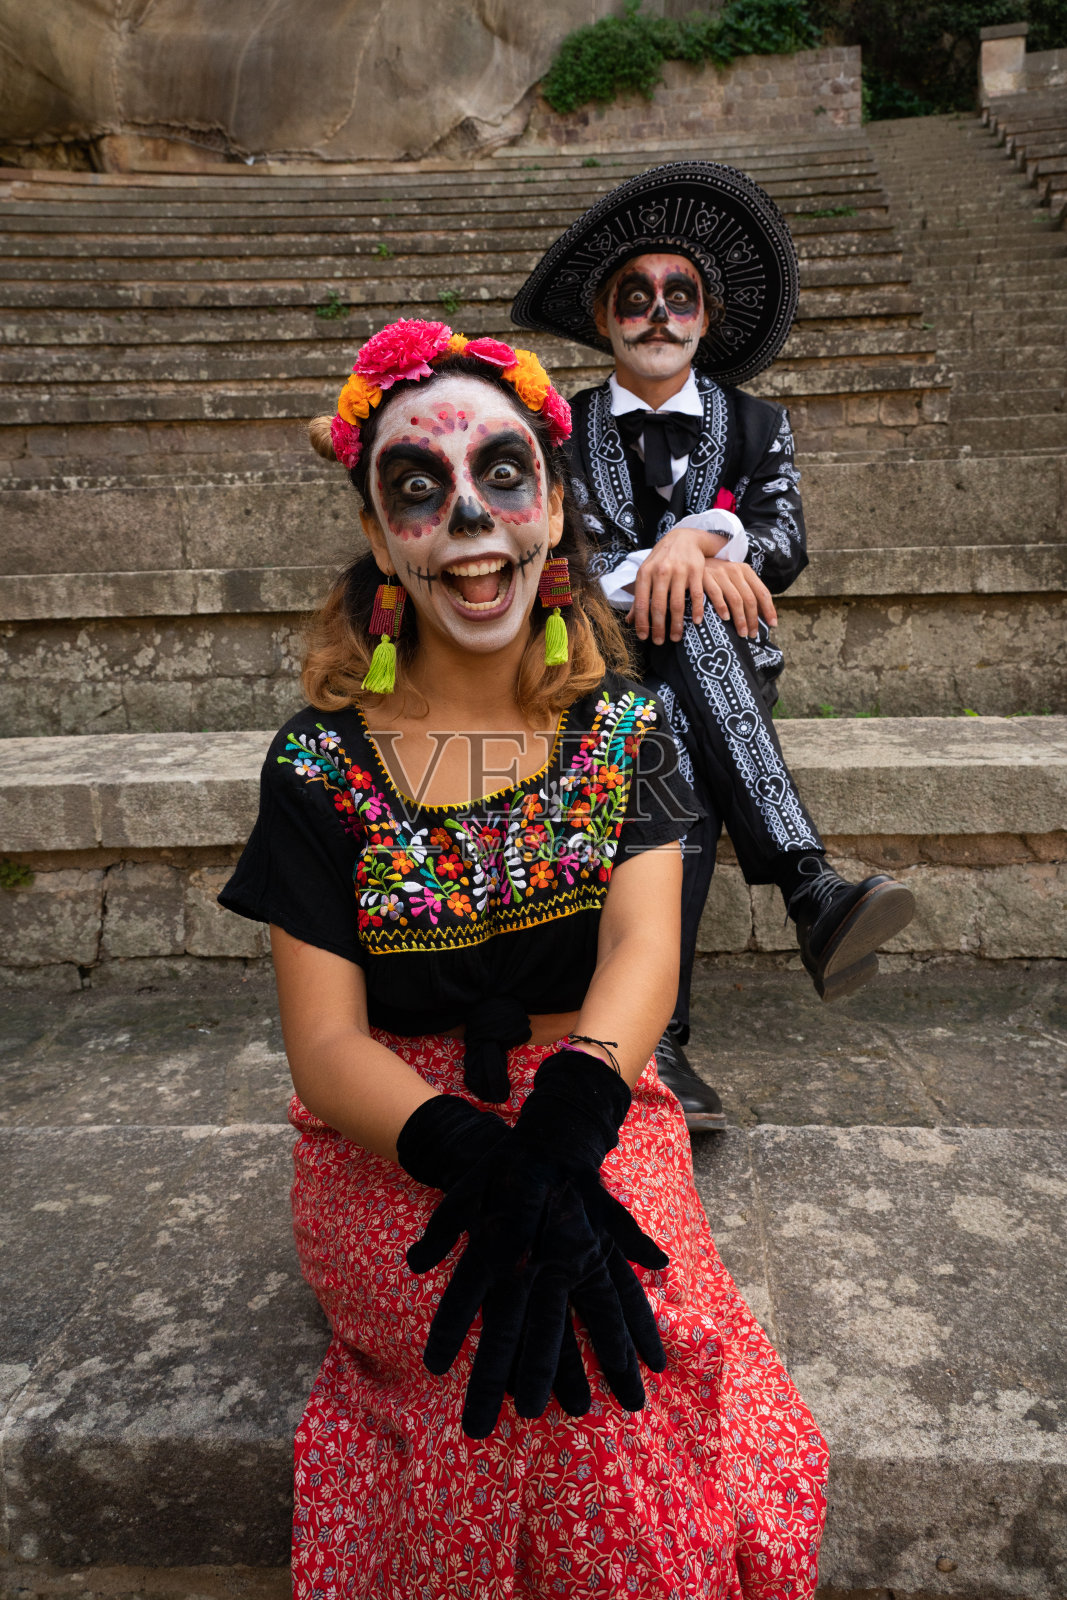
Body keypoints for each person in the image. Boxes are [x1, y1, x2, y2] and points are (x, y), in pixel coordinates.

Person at [219, 319, 827, 1597]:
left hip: (591, 1098)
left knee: (615, 1353)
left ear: (552, 510)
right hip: (394, 1132)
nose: (467, 519)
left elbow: (643, 948)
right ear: (380, 534)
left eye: (502, 474)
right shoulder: (316, 762)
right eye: (417, 487)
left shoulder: (625, 724)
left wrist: (567, 1121)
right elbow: (323, 1044)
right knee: (485, 1353)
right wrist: (473, 1154)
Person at [511, 161, 916, 1129]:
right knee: (660, 718)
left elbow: (783, 540)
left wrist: (706, 540)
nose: (657, 313)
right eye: (634, 296)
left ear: (706, 315)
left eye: (678, 295)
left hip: (725, 672)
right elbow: (549, 556)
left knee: (673, 709)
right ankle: (807, 886)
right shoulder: (555, 431)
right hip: (596, 666)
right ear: (604, 316)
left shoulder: (759, 424)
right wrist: (671, 561)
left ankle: (659, 1041)